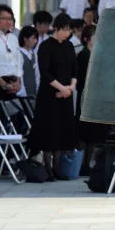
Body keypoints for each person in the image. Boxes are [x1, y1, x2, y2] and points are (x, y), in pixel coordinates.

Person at [29, 13, 77, 181]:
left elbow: (75, 69)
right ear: (56, 28)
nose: (67, 33)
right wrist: (62, 88)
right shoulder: (46, 46)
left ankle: (57, 167)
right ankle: (48, 168)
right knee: (49, 131)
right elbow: (45, 72)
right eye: (64, 29)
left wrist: (70, 87)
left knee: (62, 130)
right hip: (50, 94)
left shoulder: (69, 46)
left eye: (69, 30)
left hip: (66, 94)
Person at [75, 25, 106, 176]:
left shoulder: (97, 54)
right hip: (85, 97)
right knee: (84, 133)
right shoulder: (83, 55)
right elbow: (81, 79)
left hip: (96, 97)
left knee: (93, 134)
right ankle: (82, 164)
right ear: (87, 38)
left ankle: (87, 163)